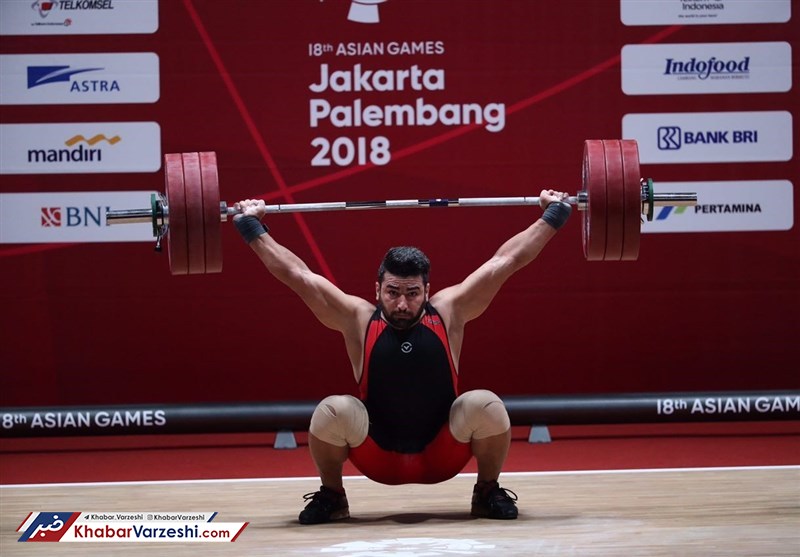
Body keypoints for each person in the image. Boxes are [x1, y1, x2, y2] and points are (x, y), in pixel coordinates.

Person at [233, 189, 571, 524]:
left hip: (443, 453)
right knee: (332, 410)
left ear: (427, 289)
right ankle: (333, 496)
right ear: (377, 289)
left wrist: (552, 215)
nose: (402, 304)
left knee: (485, 404)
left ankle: (486, 492)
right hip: (378, 456)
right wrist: (252, 227)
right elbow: (299, 277)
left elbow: (505, 262)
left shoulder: (449, 310)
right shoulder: (358, 318)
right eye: (393, 292)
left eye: (412, 293)